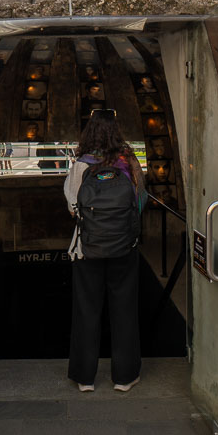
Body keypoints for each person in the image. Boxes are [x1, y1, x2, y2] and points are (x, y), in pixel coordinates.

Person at [63, 109, 146, 393]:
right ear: (116, 131)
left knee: (86, 310)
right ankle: (125, 377)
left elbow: (73, 207)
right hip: (124, 248)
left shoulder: (81, 165)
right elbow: (140, 201)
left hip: (88, 248)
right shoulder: (129, 161)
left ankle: (85, 378)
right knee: (125, 310)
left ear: (89, 133)